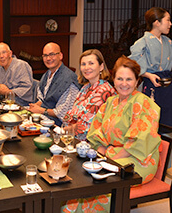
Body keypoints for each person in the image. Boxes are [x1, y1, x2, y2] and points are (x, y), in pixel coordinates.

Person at [62, 56, 161, 213]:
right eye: (120, 78)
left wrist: (109, 160)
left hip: (138, 159)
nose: (124, 83)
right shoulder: (110, 102)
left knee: (102, 186)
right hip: (110, 154)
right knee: (82, 179)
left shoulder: (144, 103)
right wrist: (102, 153)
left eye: (129, 79)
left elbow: (139, 140)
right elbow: (96, 131)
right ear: (114, 80)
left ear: (137, 81)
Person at [129, 7, 172, 127]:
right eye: (167, 20)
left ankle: (166, 145)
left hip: (167, 84)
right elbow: (133, 62)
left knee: (167, 119)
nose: (170, 24)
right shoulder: (142, 42)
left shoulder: (168, 41)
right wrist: (147, 74)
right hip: (151, 83)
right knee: (150, 119)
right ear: (157, 23)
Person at [64, 49, 116, 141]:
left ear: (101, 67)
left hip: (93, 143)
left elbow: (88, 125)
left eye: (91, 63)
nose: (86, 67)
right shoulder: (85, 88)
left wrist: (64, 130)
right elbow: (72, 114)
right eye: (83, 64)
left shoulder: (104, 91)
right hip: (76, 138)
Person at [29, 42, 81, 126]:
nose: (48, 58)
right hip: (44, 119)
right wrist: (35, 106)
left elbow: (63, 113)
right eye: (45, 56)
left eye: (52, 54)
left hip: (60, 125)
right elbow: (42, 99)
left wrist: (41, 110)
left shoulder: (69, 79)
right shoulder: (47, 75)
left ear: (60, 56)